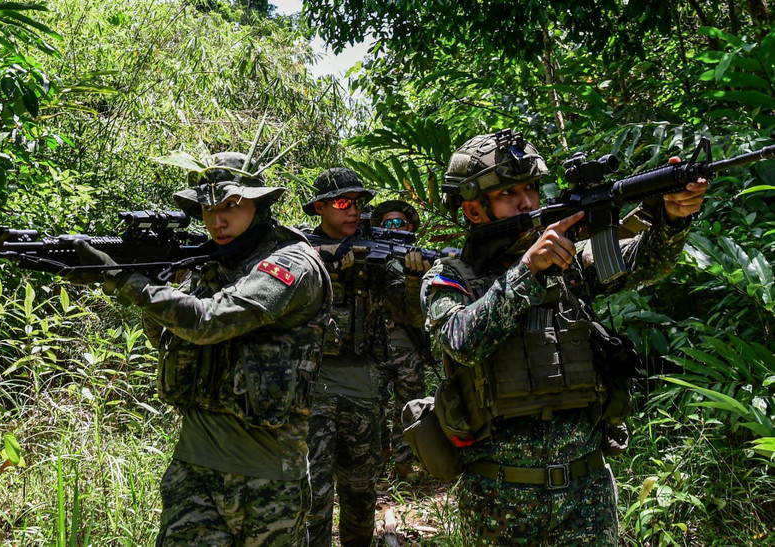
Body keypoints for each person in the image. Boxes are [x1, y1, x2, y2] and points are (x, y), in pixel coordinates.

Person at [420, 129, 708, 545]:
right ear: (474, 210)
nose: (528, 202)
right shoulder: (449, 278)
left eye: (533, 188)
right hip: (498, 498)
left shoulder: (566, 263)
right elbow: (462, 341)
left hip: (585, 493)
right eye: (510, 193)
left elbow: (644, 263)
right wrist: (526, 273)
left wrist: (674, 218)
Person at [68, 152, 332, 546]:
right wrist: (155, 280)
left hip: (270, 476)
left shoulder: (291, 263)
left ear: (259, 204)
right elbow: (169, 338)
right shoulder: (207, 264)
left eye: (230, 206)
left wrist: (125, 281)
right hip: (195, 468)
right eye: (207, 209)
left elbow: (209, 322)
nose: (217, 221)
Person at [301, 167, 388, 547]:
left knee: (360, 492)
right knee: (314, 495)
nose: (352, 211)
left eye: (358, 203)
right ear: (320, 207)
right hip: (312, 385)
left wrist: (414, 276)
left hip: (362, 386)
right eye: (342, 203)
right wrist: (330, 262)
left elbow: (411, 312)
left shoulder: (377, 248)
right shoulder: (298, 249)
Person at [370, 200, 431, 481]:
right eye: (388, 223)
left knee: (408, 406)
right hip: (375, 345)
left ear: (411, 228)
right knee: (374, 406)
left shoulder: (420, 262)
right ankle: (377, 462)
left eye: (400, 223)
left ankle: (404, 465)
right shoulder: (371, 257)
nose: (394, 228)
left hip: (408, 344)